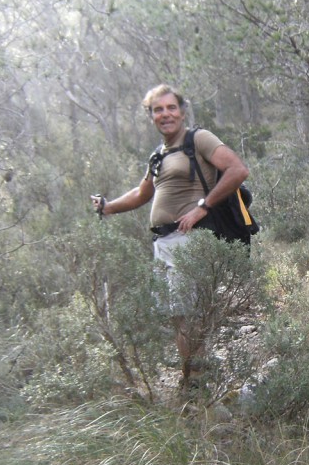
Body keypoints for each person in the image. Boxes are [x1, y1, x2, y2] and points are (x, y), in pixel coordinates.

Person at [91, 83, 250, 383]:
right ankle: (193, 378)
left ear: (182, 111)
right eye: (158, 110)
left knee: (189, 314)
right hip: (164, 242)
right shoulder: (158, 154)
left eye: (171, 108)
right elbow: (142, 193)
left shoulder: (198, 139)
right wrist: (108, 207)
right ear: (150, 116)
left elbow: (237, 170)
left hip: (190, 239)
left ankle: (198, 383)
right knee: (178, 316)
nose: (165, 114)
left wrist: (203, 206)